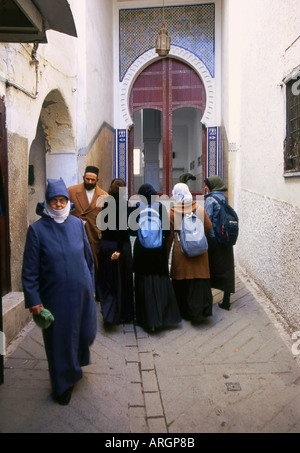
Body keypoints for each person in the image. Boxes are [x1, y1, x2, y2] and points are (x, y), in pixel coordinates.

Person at [22, 178, 97, 405]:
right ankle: (62, 386)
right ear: (46, 203)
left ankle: (75, 366)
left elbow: (88, 259)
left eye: (62, 200)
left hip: (82, 295)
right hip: (55, 298)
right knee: (60, 342)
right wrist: (34, 300)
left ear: (67, 202)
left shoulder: (77, 225)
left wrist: (91, 287)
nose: (57, 205)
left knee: (85, 334)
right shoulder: (36, 231)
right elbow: (29, 270)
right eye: (53, 201)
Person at [132, 184, 181, 332]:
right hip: (158, 253)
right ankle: (160, 318)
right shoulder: (160, 207)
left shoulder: (137, 208)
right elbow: (166, 230)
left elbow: (133, 231)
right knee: (159, 284)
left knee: (144, 284)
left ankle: (147, 319)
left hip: (142, 253)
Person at [167, 183, 213, 323]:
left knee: (182, 282)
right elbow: (209, 227)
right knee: (198, 281)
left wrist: (166, 253)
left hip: (181, 252)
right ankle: (201, 310)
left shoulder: (173, 212)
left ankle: (184, 312)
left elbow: (169, 236)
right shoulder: (199, 209)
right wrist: (197, 238)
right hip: (199, 252)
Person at [97, 179, 134, 325]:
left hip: (107, 246)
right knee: (123, 281)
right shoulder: (126, 205)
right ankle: (125, 314)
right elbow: (126, 230)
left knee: (110, 280)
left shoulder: (106, 204)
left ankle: (110, 314)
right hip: (121, 248)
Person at [68, 166, 107, 300]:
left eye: (92, 180)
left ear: (97, 179)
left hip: (94, 236)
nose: (89, 182)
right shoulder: (71, 191)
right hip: (74, 233)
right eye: (87, 179)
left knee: (94, 263)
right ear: (83, 177)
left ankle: (92, 291)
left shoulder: (104, 196)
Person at [204, 175, 235, 310]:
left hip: (214, 240)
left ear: (212, 186)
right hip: (225, 238)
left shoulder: (210, 199)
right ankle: (226, 300)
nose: (205, 187)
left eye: (206, 184)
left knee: (208, 268)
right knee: (226, 268)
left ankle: (206, 299)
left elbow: (206, 220)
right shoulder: (223, 197)